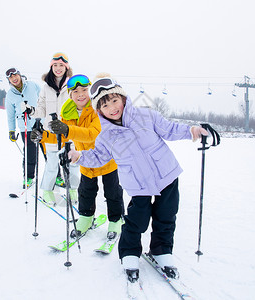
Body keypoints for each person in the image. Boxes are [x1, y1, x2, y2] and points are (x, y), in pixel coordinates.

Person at [68, 74, 208, 283]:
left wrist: (192, 131)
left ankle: (161, 250)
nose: (112, 108)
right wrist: (79, 157)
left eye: (115, 100)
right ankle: (130, 253)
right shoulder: (105, 135)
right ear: (99, 110)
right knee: (137, 221)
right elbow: (99, 157)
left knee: (166, 216)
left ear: (123, 99)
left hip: (166, 173)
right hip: (137, 183)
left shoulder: (146, 115)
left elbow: (170, 129)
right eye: (105, 105)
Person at [33, 74, 124, 238]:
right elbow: (62, 137)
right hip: (85, 160)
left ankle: (116, 220)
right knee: (86, 191)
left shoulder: (98, 108)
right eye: (75, 91)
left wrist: (67, 130)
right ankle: (86, 218)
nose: (81, 94)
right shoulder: (67, 113)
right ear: (70, 95)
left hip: (107, 159)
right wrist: (43, 136)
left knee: (112, 192)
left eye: (84, 90)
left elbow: (92, 134)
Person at [34, 52, 78, 204]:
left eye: (61, 65)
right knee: (52, 164)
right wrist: (32, 111)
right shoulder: (46, 87)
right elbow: (41, 108)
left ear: (66, 67)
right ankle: (47, 191)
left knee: (72, 162)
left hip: (69, 131)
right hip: (51, 131)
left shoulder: (73, 85)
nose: (58, 68)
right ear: (51, 67)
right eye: (55, 65)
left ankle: (73, 190)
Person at [5, 67, 41, 188]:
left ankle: (57, 176)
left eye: (15, 75)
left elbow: (44, 98)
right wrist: (11, 130)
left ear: (19, 75)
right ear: (9, 80)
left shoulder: (32, 85)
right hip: (25, 126)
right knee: (30, 153)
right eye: (11, 77)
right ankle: (29, 178)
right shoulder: (10, 95)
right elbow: (10, 114)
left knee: (49, 151)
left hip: (40, 122)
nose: (14, 78)